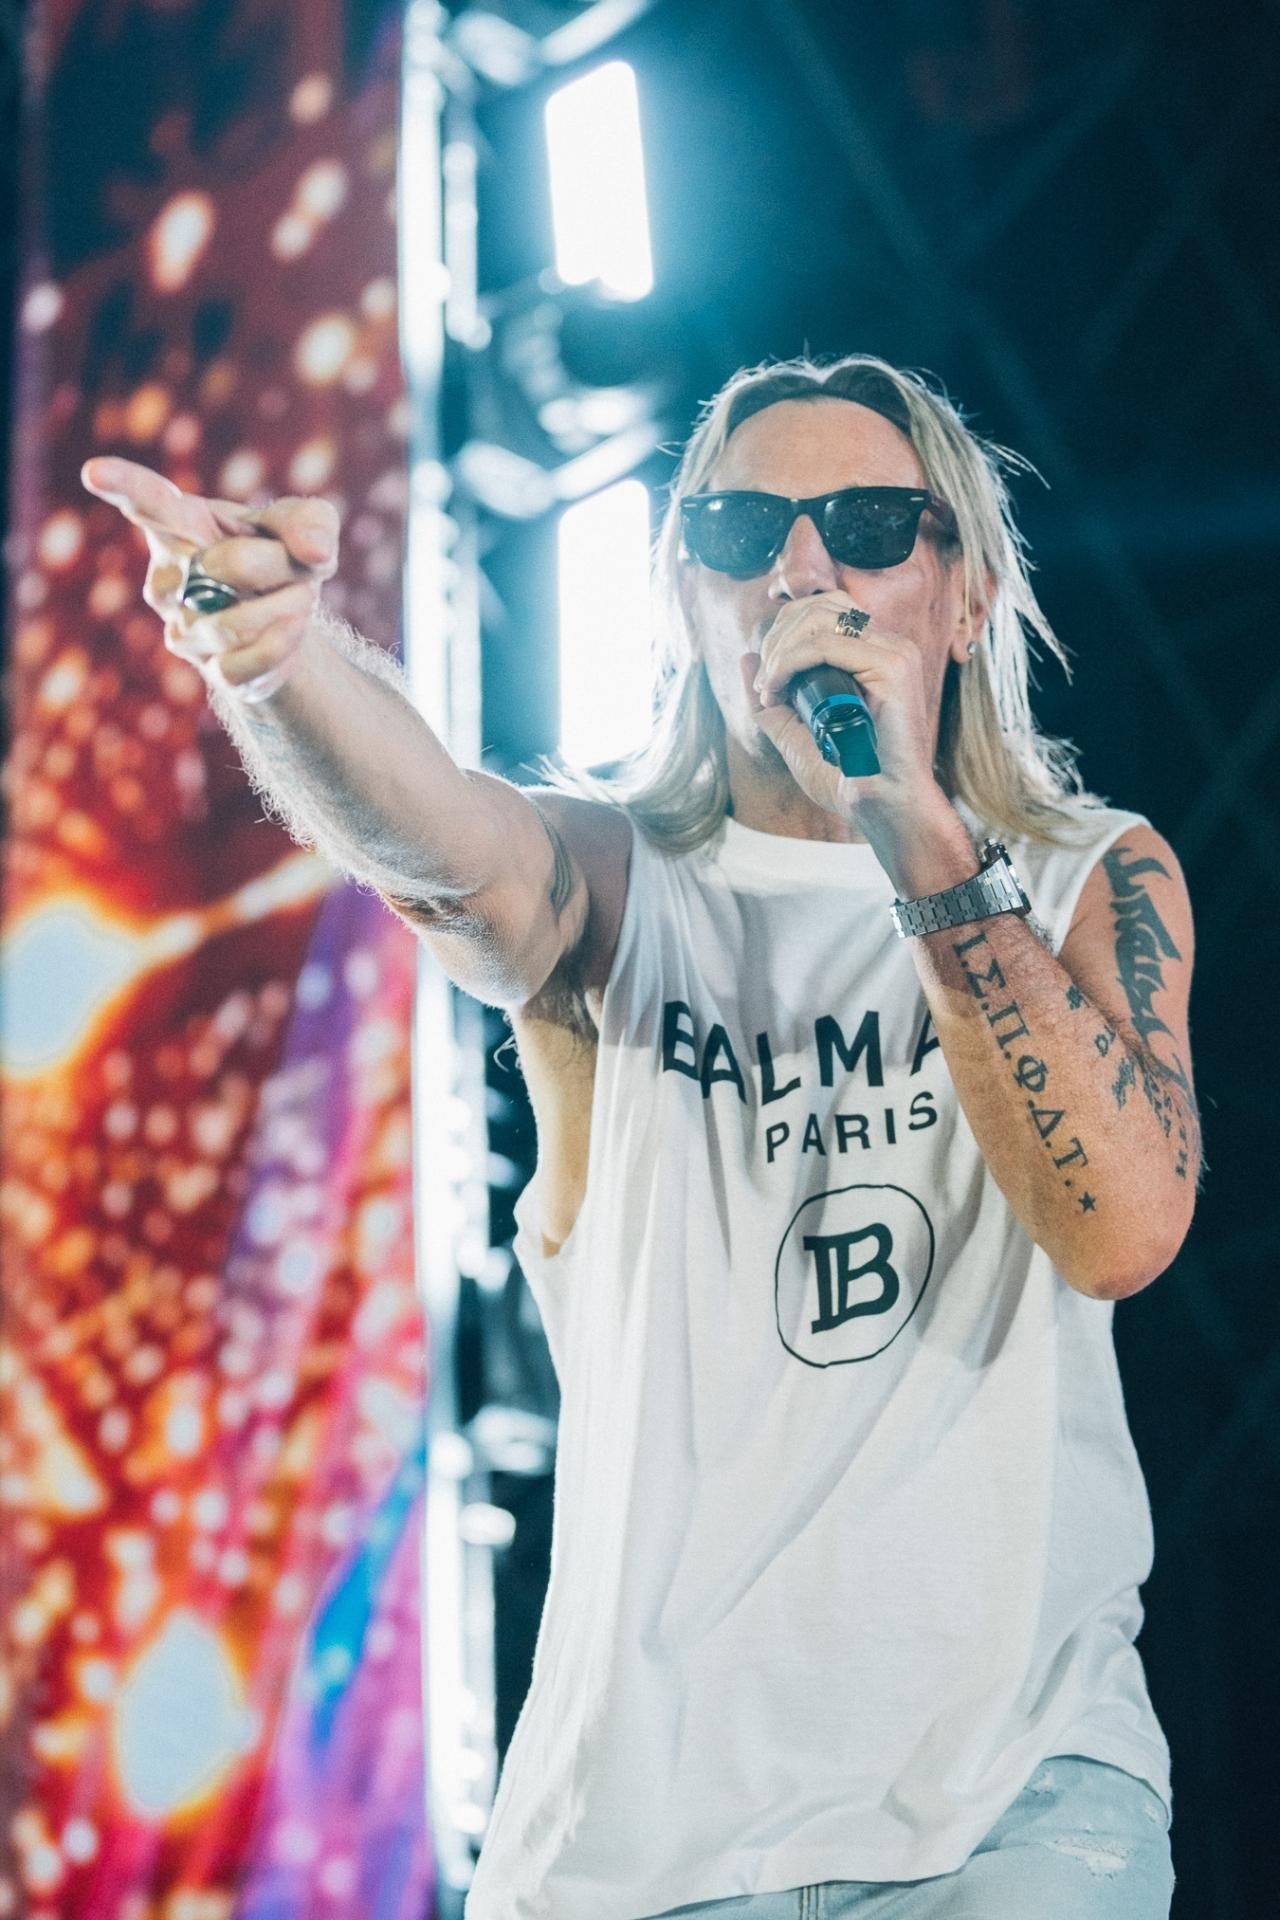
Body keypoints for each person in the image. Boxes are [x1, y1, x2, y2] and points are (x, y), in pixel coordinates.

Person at [83, 351, 1200, 1920]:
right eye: (743, 532)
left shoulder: (1091, 874)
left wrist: (911, 824)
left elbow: (1123, 1228)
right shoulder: (616, 888)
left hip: (1011, 1812)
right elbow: (439, 839)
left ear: (964, 593)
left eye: (868, 525)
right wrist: (279, 664)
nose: (802, 569)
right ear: (687, 595)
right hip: (635, 1854)